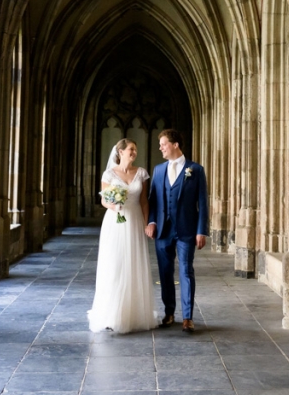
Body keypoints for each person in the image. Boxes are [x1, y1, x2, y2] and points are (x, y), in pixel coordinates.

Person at [88, 138, 159, 333]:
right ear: (120, 152)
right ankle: (112, 314)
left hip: (135, 221)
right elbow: (103, 200)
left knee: (134, 264)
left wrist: (147, 224)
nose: (134, 152)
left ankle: (134, 313)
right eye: (131, 149)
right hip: (115, 222)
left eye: (135, 149)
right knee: (115, 264)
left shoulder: (142, 173)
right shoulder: (109, 174)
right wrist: (113, 205)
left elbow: (144, 201)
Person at [145, 129, 208, 333]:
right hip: (163, 231)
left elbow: (203, 204)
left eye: (163, 143)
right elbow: (152, 200)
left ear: (175, 145)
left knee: (186, 271)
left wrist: (201, 231)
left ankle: (188, 317)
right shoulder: (158, 170)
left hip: (187, 230)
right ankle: (169, 312)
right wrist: (152, 221)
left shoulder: (195, 170)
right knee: (165, 273)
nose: (161, 147)